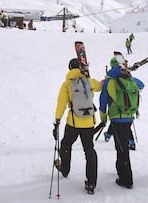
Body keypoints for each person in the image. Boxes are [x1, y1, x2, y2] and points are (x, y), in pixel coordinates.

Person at [54, 58, 102, 194]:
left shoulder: (67, 83)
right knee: (89, 150)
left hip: (73, 123)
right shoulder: (89, 81)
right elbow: (100, 86)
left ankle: (64, 169)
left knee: (66, 144)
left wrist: (57, 120)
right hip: (88, 123)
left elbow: (61, 104)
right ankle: (91, 183)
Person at [99, 53, 144, 189]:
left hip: (117, 118)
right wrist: (129, 73)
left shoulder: (109, 81)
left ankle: (126, 179)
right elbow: (141, 85)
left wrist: (103, 117)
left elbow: (103, 102)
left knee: (121, 148)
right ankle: (122, 173)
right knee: (122, 145)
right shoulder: (130, 80)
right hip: (129, 116)